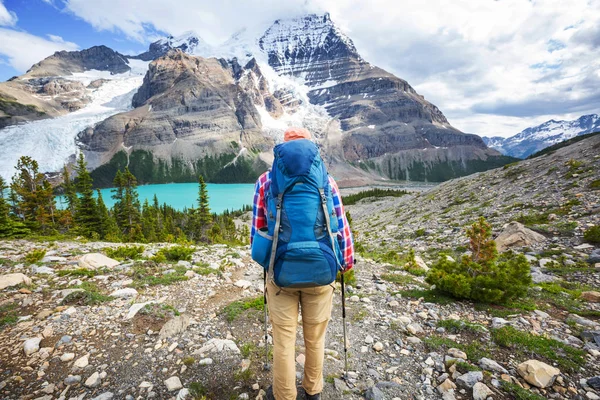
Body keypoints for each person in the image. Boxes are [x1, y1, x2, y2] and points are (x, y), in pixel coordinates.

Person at [251, 127, 354, 400]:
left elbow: (258, 229)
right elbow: (340, 226)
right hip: (321, 270)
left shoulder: (265, 180)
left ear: (282, 151)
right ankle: (313, 391)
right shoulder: (327, 181)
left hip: (281, 272)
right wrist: (345, 262)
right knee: (315, 338)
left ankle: (284, 395)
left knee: (284, 340)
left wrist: (267, 266)